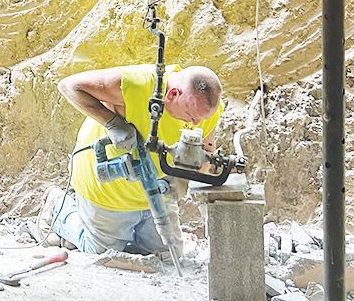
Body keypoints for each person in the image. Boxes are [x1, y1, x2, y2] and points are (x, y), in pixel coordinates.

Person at [38, 63, 223, 256]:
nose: (196, 123)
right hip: (108, 191)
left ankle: (131, 232)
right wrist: (112, 123)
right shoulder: (136, 85)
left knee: (168, 254)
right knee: (99, 251)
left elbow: (206, 155)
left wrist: (189, 179)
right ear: (172, 94)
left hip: (154, 191)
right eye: (191, 116)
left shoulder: (203, 110)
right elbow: (69, 86)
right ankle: (58, 207)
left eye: (202, 118)